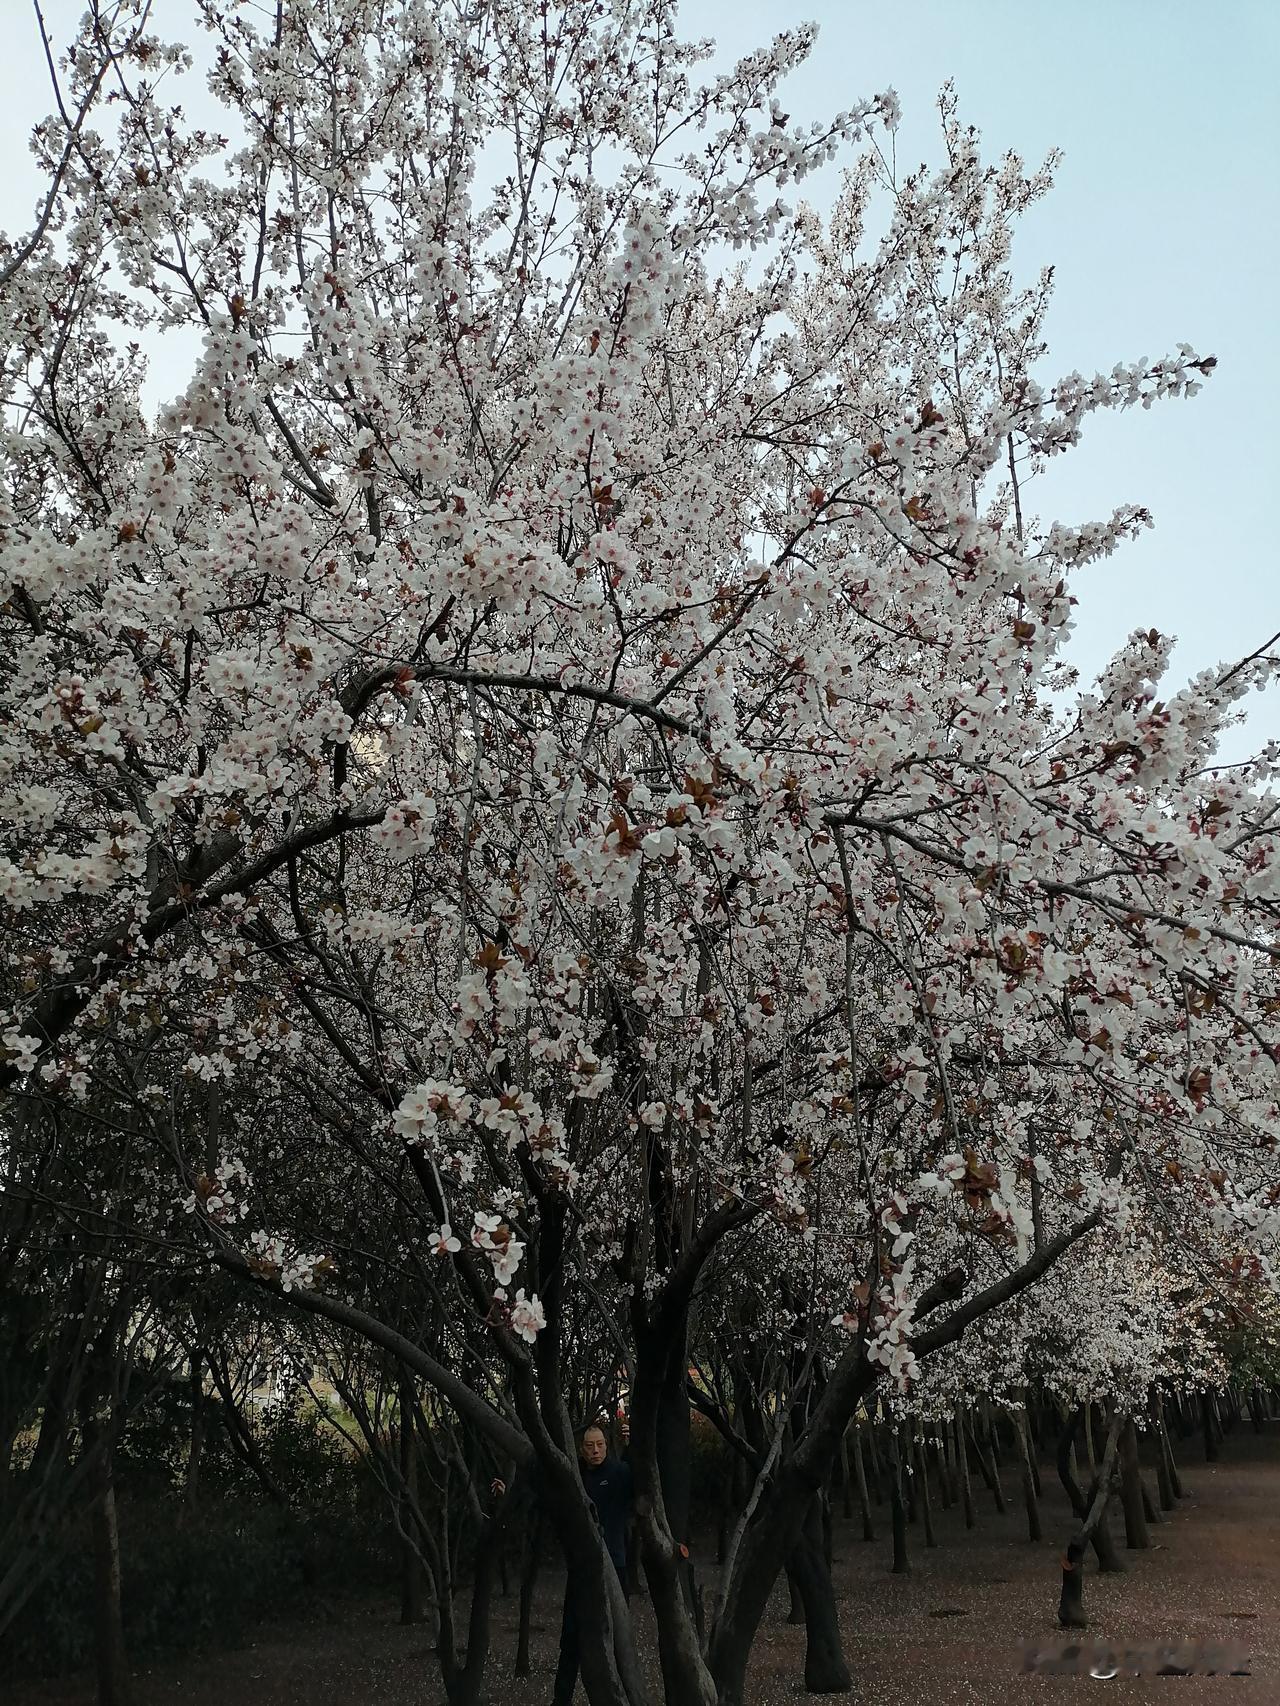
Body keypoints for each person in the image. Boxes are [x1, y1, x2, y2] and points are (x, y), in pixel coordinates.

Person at [551, 1422, 634, 1706]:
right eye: (589, 1446)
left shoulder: (620, 1473)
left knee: (617, 1640)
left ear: (607, 1446)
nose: (595, 1450)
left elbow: (641, 1481)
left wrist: (632, 1445)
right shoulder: (574, 1478)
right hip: (581, 1571)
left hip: (615, 1566)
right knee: (571, 1641)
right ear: (581, 1449)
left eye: (600, 1444)